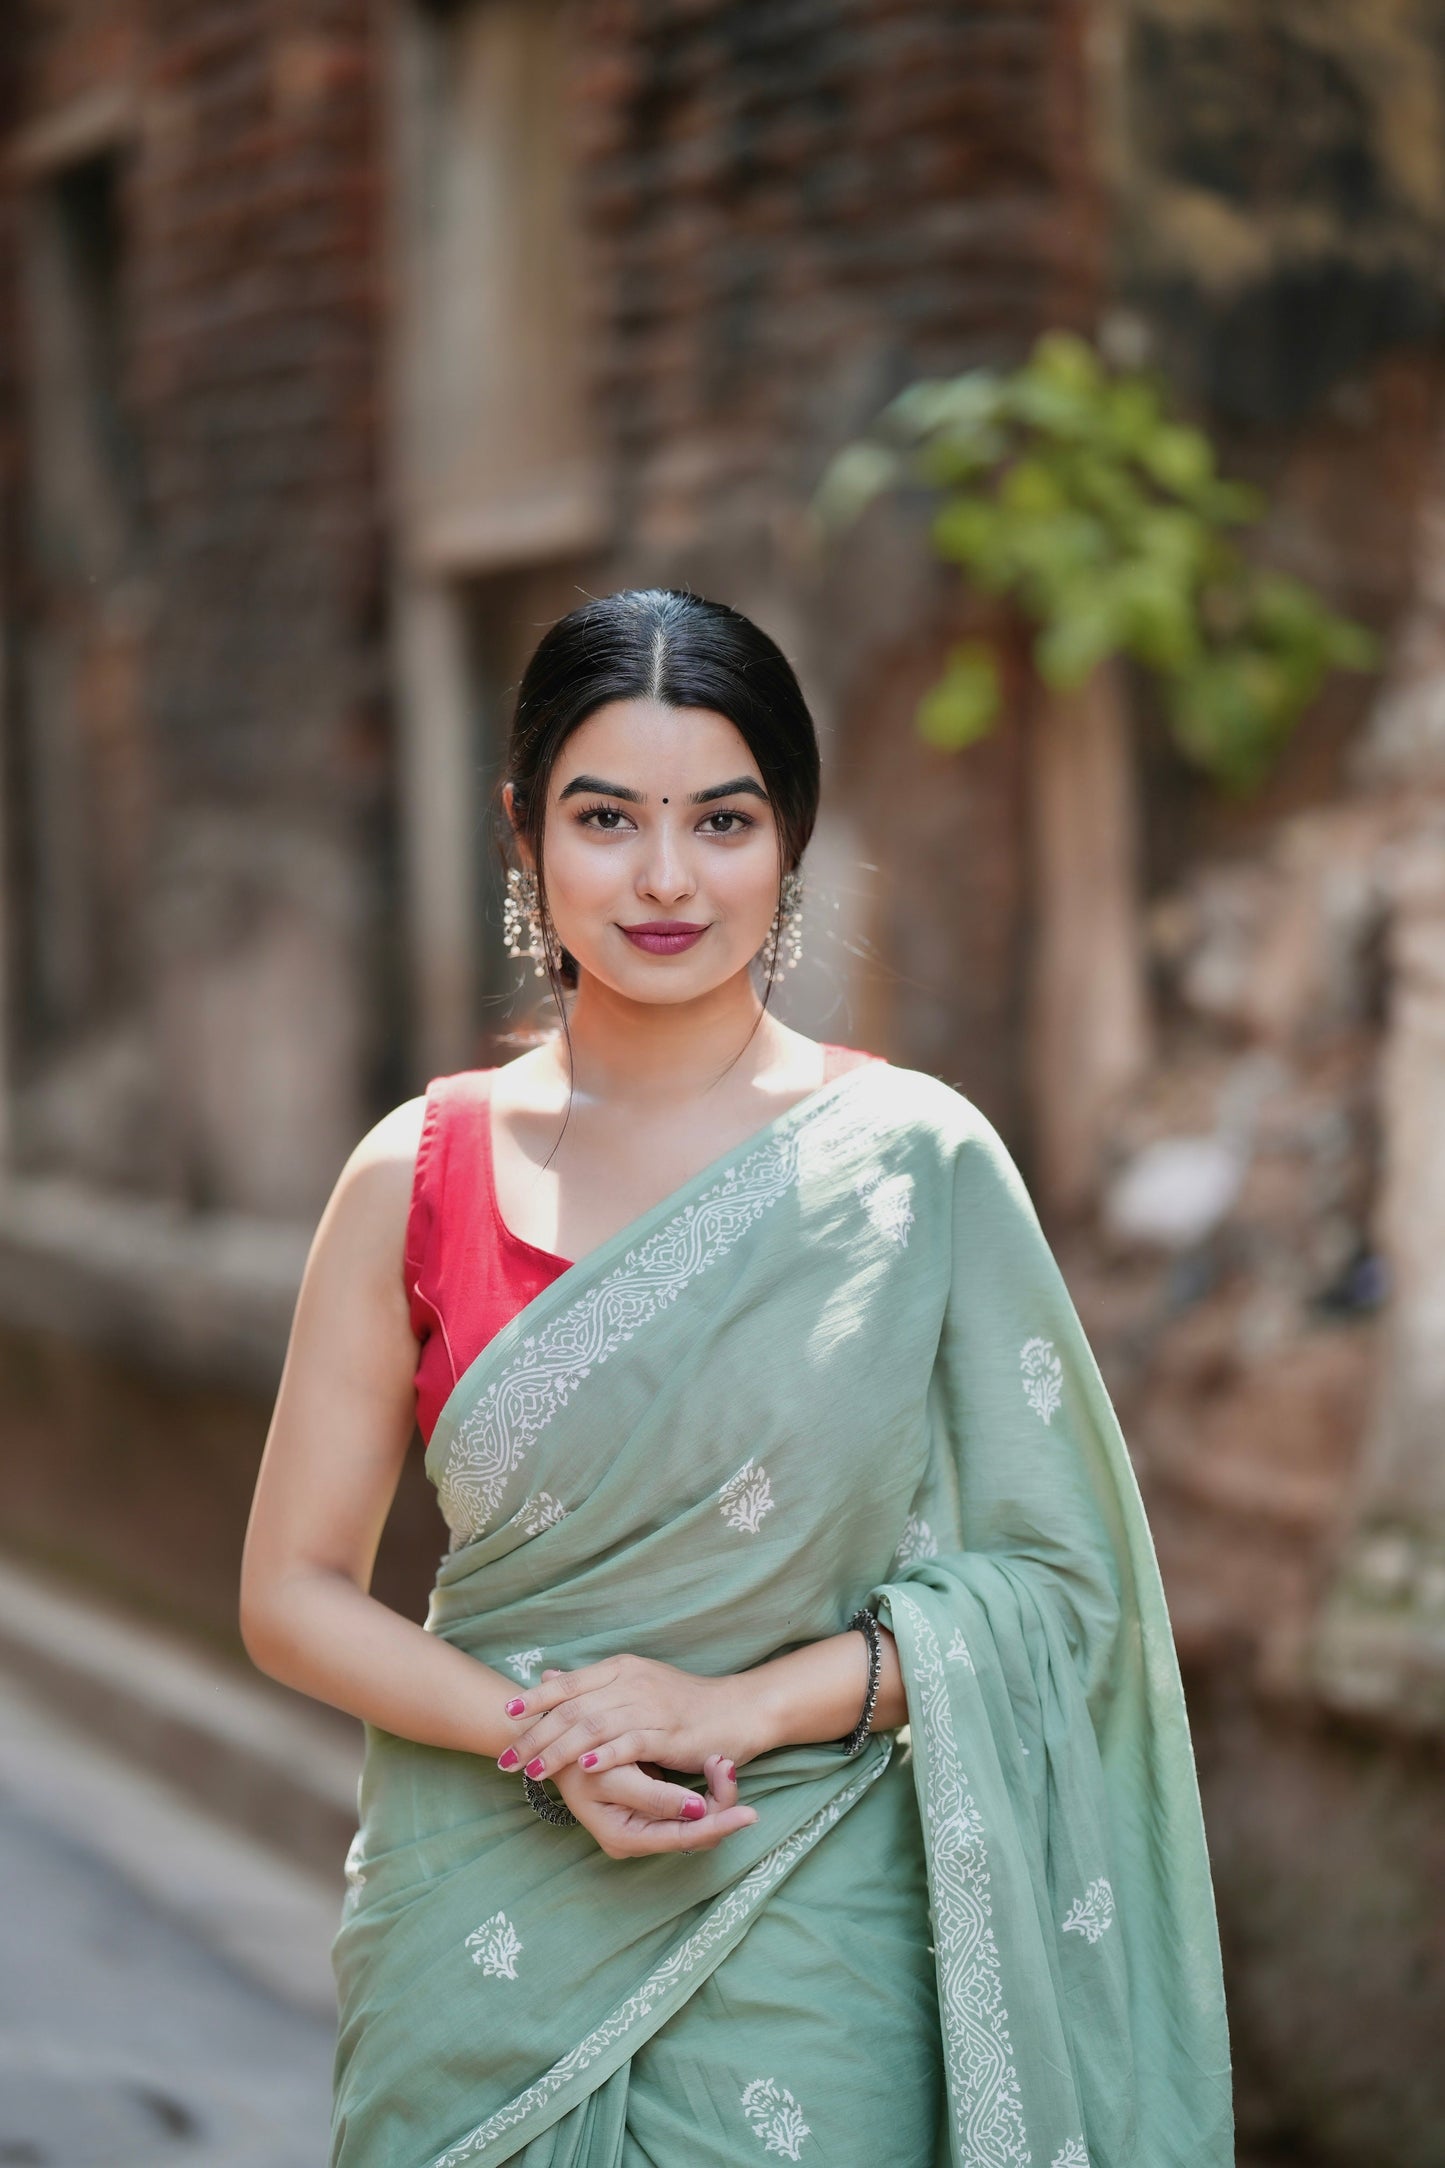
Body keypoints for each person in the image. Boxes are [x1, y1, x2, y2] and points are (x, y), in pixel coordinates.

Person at [239, 588, 1233, 2168]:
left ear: (791, 839)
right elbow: (291, 1591)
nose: (661, 878)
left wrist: (735, 1706)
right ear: (523, 834)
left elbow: (1057, 1592)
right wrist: (541, 1738)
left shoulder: (912, 1165)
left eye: (719, 819)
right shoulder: (414, 1174)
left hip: (808, 1912)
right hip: (473, 1940)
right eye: (604, 818)